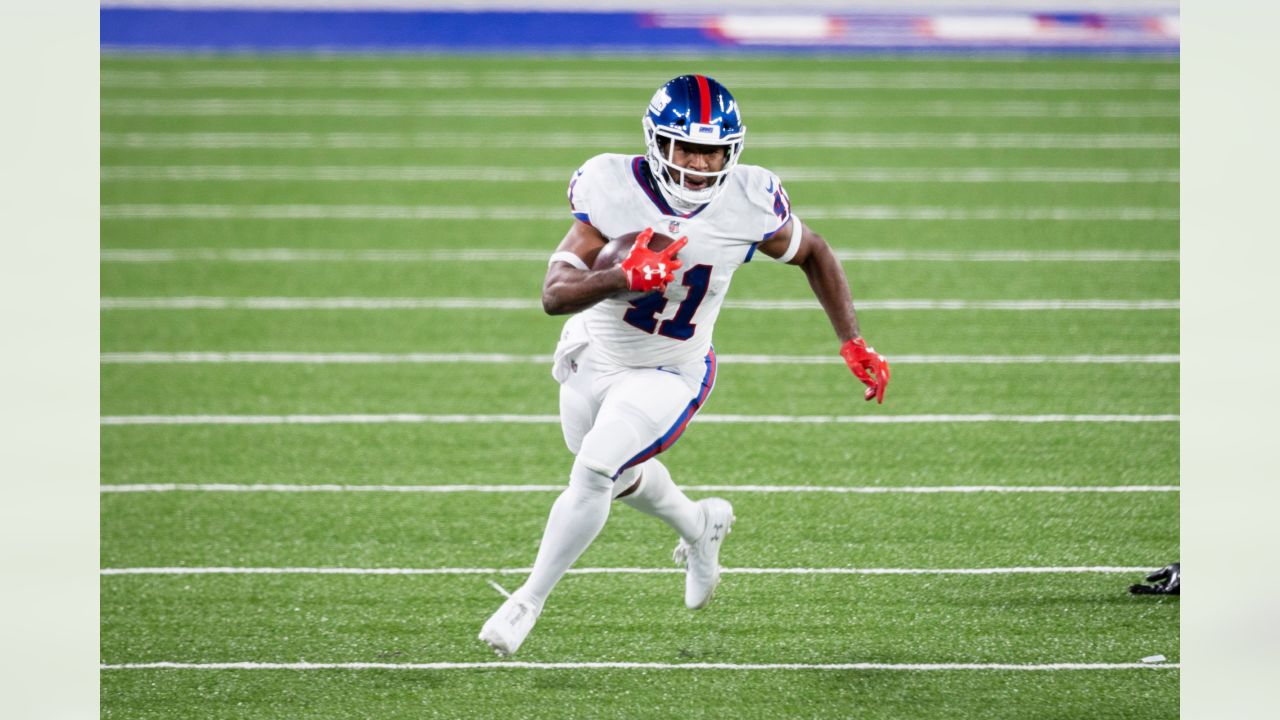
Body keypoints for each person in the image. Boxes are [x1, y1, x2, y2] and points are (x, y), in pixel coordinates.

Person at [479, 74, 891, 657]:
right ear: (656, 142)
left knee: (596, 469)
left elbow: (813, 251)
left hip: (671, 369)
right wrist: (621, 276)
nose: (700, 164)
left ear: (734, 151)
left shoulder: (749, 200)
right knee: (617, 479)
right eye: (687, 147)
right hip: (595, 355)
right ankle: (700, 528)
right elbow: (553, 294)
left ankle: (528, 600)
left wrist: (852, 339)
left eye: (714, 150)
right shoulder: (610, 185)